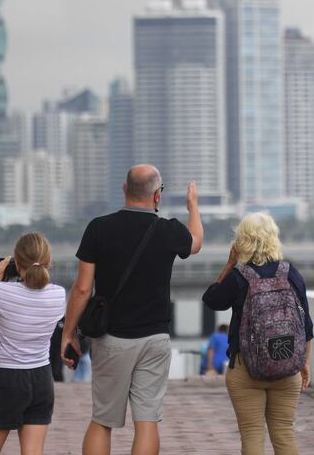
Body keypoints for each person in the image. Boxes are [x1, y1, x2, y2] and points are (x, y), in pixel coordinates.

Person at [62, 164, 203, 455]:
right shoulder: (169, 230)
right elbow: (196, 242)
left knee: (102, 420)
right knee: (147, 422)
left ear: (124, 189)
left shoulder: (98, 228)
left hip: (112, 339)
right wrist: (193, 207)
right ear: (157, 195)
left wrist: (68, 333)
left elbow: (82, 289)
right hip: (155, 339)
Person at [202, 212, 314, 455]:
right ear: (273, 238)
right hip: (286, 366)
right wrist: (304, 362)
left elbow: (211, 300)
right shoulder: (290, 272)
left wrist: (230, 264)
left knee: (252, 433)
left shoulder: (238, 277)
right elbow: (306, 324)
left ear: (242, 241)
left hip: (246, 369)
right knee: (284, 432)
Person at [0, 232, 66, 455]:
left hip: (5, 378)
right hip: (41, 378)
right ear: (49, 262)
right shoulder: (59, 295)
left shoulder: (2, 291)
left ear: (16, 262)